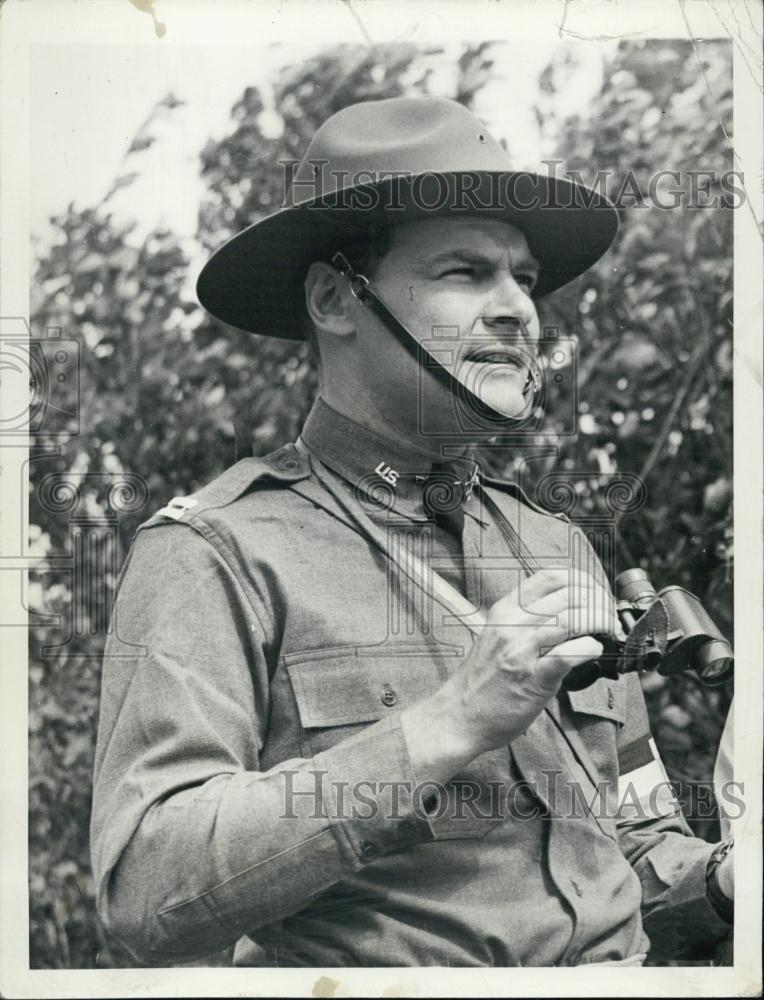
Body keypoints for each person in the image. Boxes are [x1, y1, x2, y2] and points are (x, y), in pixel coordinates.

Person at [90, 96, 734, 968]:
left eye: (526, 279)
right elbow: (142, 890)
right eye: (466, 273)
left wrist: (725, 882)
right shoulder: (218, 553)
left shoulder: (553, 546)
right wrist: (449, 723)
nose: (518, 311)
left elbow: (633, 839)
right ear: (335, 298)